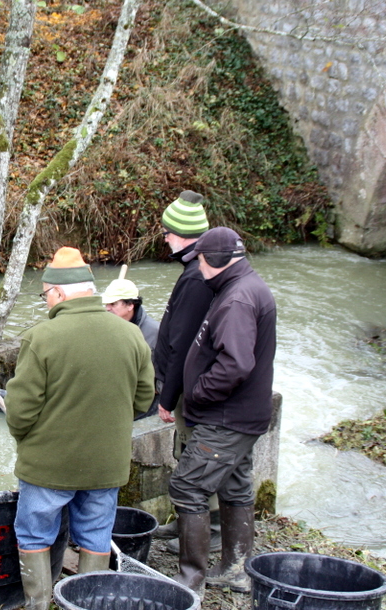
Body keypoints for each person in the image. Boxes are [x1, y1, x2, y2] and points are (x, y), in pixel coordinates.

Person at [5, 247, 154, 610]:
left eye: (45, 295)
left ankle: (39, 604)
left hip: (49, 466)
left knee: (34, 533)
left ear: (57, 292)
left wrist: (29, 439)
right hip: (106, 464)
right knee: (96, 535)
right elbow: (143, 397)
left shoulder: (41, 337)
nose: (45, 303)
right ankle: (87, 603)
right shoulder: (131, 335)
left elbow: (21, 412)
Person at [167, 227, 276, 594]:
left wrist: (197, 394)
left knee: (187, 486)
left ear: (214, 260)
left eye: (200, 258)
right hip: (243, 415)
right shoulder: (242, 285)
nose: (197, 265)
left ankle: (189, 580)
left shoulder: (236, 300)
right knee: (234, 485)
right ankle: (236, 567)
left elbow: (236, 364)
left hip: (227, 417)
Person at [152, 191, 222, 552]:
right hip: (191, 386)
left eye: (166, 232)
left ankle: (199, 534)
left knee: (194, 458)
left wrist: (168, 396)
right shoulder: (196, 271)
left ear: (182, 235)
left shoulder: (196, 278)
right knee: (191, 455)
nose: (164, 238)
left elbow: (184, 343)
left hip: (190, 390)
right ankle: (186, 525)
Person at [101, 278, 160, 351]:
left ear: (130, 305)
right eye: (106, 304)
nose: (107, 308)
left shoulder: (155, 332)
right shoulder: (104, 328)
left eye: (113, 304)